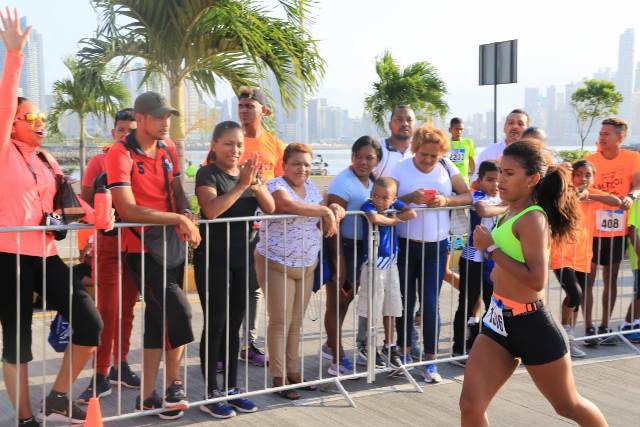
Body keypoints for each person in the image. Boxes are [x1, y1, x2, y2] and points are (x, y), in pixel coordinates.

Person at [0, 10, 105, 425]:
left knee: (90, 324)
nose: (41, 123)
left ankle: (59, 395)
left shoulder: (46, 158)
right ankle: (26, 419)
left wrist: (99, 218)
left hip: (46, 255)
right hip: (8, 257)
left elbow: (68, 202)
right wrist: (14, 56)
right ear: (12, 124)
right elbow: (5, 104)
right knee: (18, 343)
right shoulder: (4, 150)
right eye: (31, 118)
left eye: (43, 118)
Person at [460, 139, 607, 427]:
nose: (501, 179)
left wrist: (491, 249)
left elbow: (537, 279)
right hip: (497, 320)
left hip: (531, 325)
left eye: (509, 173)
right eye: (500, 172)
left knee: (568, 405)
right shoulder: (509, 210)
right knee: (470, 405)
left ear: (533, 179)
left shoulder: (533, 218)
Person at [106, 91, 201, 419]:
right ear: (140, 118)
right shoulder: (119, 153)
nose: (165, 122)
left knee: (157, 321)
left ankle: (147, 397)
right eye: (159, 116)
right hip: (141, 249)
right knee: (180, 312)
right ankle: (175, 384)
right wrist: (177, 219)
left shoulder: (168, 147)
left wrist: (185, 212)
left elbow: (177, 190)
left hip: (171, 245)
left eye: (168, 116)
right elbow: (127, 209)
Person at [194, 121, 275, 418]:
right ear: (215, 145)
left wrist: (255, 184)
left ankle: (231, 388)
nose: (235, 149)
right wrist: (242, 184)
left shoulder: (247, 175)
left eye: (239, 144)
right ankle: (210, 393)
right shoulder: (208, 173)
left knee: (234, 325)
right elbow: (212, 210)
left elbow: (270, 208)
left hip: (242, 260)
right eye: (228, 143)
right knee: (216, 323)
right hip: (213, 259)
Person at [255, 143, 339, 400]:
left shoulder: (312, 188)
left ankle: (293, 371)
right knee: (279, 321)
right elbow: (287, 205)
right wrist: (324, 210)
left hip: (306, 264)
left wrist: (334, 210)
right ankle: (279, 377)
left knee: (296, 322)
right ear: (284, 165)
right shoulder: (276, 186)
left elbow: (323, 215)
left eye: (306, 164)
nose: (302, 168)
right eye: (296, 163)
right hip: (276, 262)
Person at [391, 125, 471, 383]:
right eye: (423, 154)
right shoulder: (401, 168)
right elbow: (386, 199)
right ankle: (404, 356)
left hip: (436, 246)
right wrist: (409, 197)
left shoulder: (447, 167)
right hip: (406, 244)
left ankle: (430, 362)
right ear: (415, 149)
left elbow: (468, 195)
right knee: (405, 301)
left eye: (433, 156)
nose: (428, 160)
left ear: (442, 153)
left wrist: (446, 201)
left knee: (430, 303)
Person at [77, 108, 140, 404]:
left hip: (135, 245)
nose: (125, 135)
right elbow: (85, 201)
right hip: (107, 244)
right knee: (106, 310)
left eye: (131, 130)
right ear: (114, 132)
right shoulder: (99, 161)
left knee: (127, 309)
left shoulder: (142, 160)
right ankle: (100, 373)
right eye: (121, 130)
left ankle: (120, 365)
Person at [550, 160, 620, 358]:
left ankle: (568, 340)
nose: (583, 178)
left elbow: (615, 201)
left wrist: (589, 194)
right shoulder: (565, 191)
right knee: (575, 293)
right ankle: (563, 334)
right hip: (561, 253)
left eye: (587, 175)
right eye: (579, 174)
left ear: (593, 178)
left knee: (576, 299)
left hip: (583, 255)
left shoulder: (592, 193)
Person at [324, 136, 381, 374]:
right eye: (358, 156)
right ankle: (336, 358)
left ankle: (330, 344)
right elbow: (332, 227)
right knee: (338, 302)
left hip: (362, 250)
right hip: (344, 249)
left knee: (346, 301)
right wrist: (339, 263)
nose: (363, 162)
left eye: (369, 158)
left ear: (377, 160)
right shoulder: (343, 182)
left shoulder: (372, 180)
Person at [237, 86, 286, 366]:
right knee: (233, 286)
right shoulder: (232, 139)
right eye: (241, 106)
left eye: (250, 106)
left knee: (253, 286)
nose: (244, 110)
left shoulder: (275, 145)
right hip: (235, 222)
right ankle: (227, 343)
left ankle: (249, 343)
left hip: (265, 225)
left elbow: (282, 185)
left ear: (263, 111)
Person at [584, 118, 640, 346]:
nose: (602, 137)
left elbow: (637, 184)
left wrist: (631, 196)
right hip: (590, 229)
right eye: (601, 133)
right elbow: (583, 188)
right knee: (588, 280)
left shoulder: (632, 158)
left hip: (616, 229)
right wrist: (609, 198)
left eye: (607, 134)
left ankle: (605, 326)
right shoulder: (590, 160)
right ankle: (589, 327)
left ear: (620, 137)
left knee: (611, 279)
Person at [356, 177, 416, 369]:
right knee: (372, 307)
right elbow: (375, 219)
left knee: (391, 306)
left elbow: (412, 212)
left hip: (391, 262)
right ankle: (367, 344)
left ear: (393, 198)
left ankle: (389, 345)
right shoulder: (368, 205)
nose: (379, 201)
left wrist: (396, 215)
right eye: (375, 195)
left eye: (384, 198)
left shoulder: (394, 204)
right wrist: (395, 220)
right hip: (373, 264)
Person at [451, 161, 506, 365]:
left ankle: (485, 345)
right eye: (490, 180)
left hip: (493, 259)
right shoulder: (477, 196)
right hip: (472, 257)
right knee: (467, 302)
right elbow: (483, 211)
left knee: (493, 304)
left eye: (498, 180)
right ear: (480, 180)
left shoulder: (501, 198)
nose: (495, 184)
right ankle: (458, 350)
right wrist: (507, 206)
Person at [471, 109, 529, 181]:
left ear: (527, 130)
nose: (515, 126)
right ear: (504, 128)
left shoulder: (531, 154)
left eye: (520, 124)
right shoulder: (489, 153)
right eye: (510, 123)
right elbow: (476, 180)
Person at [374, 105, 416, 178]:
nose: (405, 124)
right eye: (399, 119)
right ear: (390, 125)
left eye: (409, 120)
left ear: (415, 125)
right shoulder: (377, 148)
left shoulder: (420, 151)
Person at [623, 200, 640, 343]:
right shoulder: (637, 203)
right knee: (639, 293)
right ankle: (629, 325)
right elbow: (632, 229)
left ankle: (632, 323)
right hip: (638, 256)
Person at [448, 117, 475, 184]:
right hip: (448, 181)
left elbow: (471, 161)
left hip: (464, 181)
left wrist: (473, 177)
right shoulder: (445, 143)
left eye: (461, 129)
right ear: (450, 130)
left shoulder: (468, 142)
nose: (459, 132)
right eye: (456, 129)